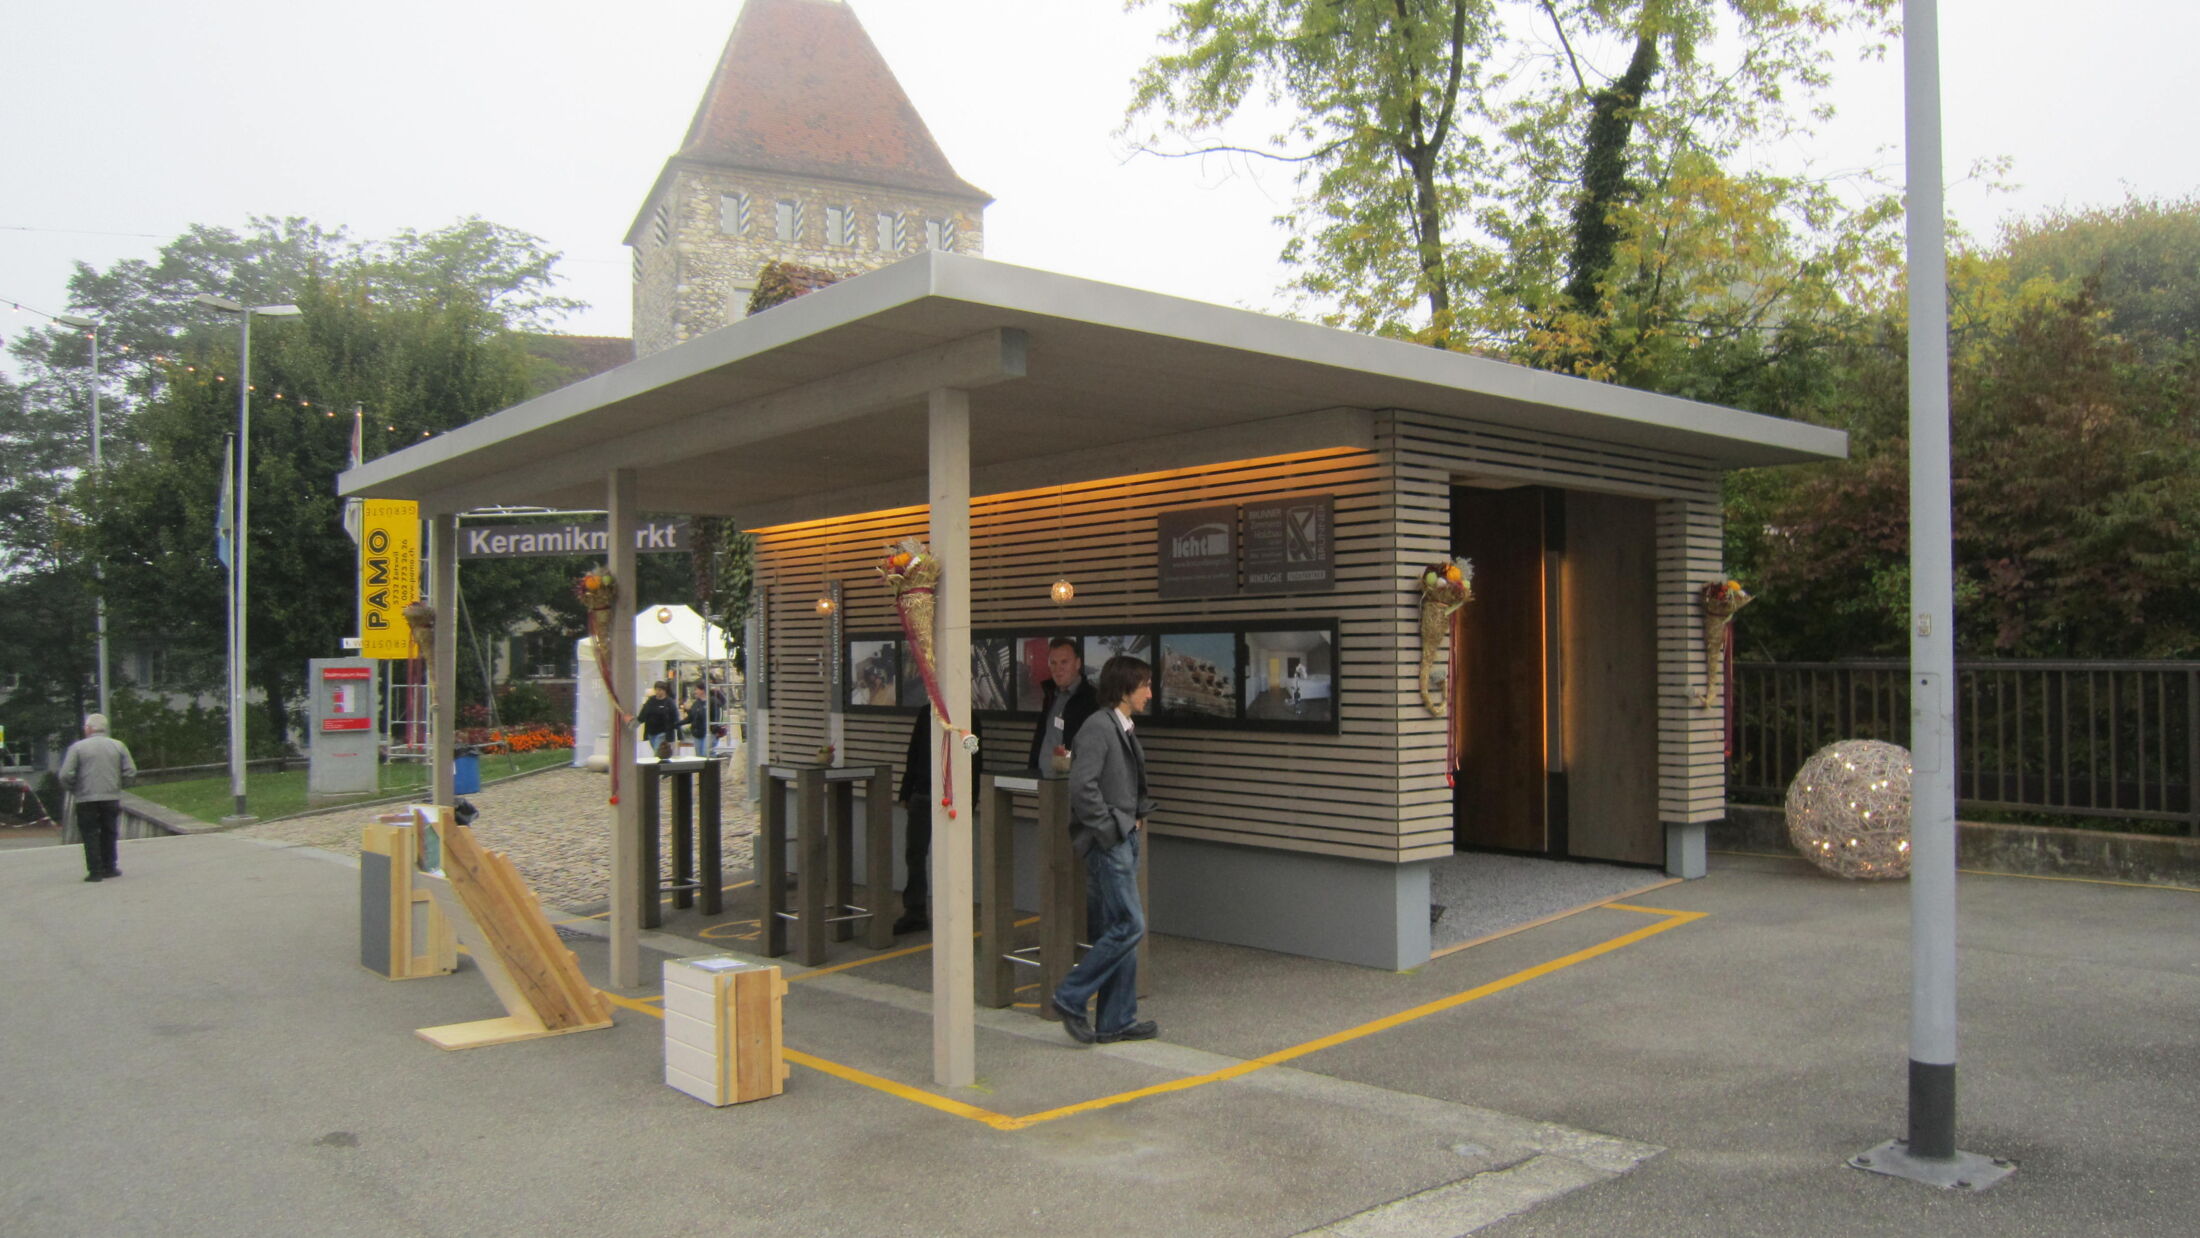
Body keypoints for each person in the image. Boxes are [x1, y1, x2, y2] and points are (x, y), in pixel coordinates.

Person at [1050, 655, 1158, 1045]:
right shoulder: (1099, 727)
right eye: (1144, 684)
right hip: (1110, 840)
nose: (1150, 692)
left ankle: (1116, 1019)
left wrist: (1134, 816)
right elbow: (1083, 787)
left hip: (1122, 835)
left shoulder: (1122, 726)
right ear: (1126, 688)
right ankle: (1070, 995)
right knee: (1131, 925)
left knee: (1119, 929)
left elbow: (1125, 782)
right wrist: (1111, 828)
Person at [58, 713, 136, 883]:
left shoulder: (78, 748)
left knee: (90, 832)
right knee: (109, 831)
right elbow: (130, 771)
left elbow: (65, 774)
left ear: (89, 728)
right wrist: (120, 785)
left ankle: (95, 870)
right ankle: (110, 866)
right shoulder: (118, 746)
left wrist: (73, 788)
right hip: (110, 796)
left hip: (85, 797)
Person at [1027, 637, 1099, 776]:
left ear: (1077, 663)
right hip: (1044, 783)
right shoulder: (1051, 695)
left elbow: (1090, 748)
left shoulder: (1092, 700)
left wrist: (1062, 776)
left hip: (1072, 786)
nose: (1058, 668)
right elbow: (1052, 738)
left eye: (1064, 662)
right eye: (1053, 663)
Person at [893, 709, 934, 934]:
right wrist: (906, 790)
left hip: (950, 797)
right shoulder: (925, 715)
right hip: (921, 793)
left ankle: (954, 910)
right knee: (915, 853)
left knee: (952, 859)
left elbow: (974, 756)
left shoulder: (965, 716)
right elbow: (914, 752)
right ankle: (915, 911)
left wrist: (971, 799)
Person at [637, 680, 679, 757]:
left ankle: (656, 767)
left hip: (662, 732)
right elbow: (643, 714)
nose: (657, 692)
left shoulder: (669, 702)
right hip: (651, 732)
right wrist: (636, 722)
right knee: (656, 750)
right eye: (656, 689)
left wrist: (678, 732)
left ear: (664, 691)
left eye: (660, 690)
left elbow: (675, 717)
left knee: (658, 752)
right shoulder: (651, 701)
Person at [684, 683, 713, 757]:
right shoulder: (696, 703)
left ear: (702, 690)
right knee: (699, 755)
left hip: (708, 731)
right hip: (697, 732)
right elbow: (692, 717)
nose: (695, 691)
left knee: (704, 753)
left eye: (697, 689)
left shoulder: (712, 702)